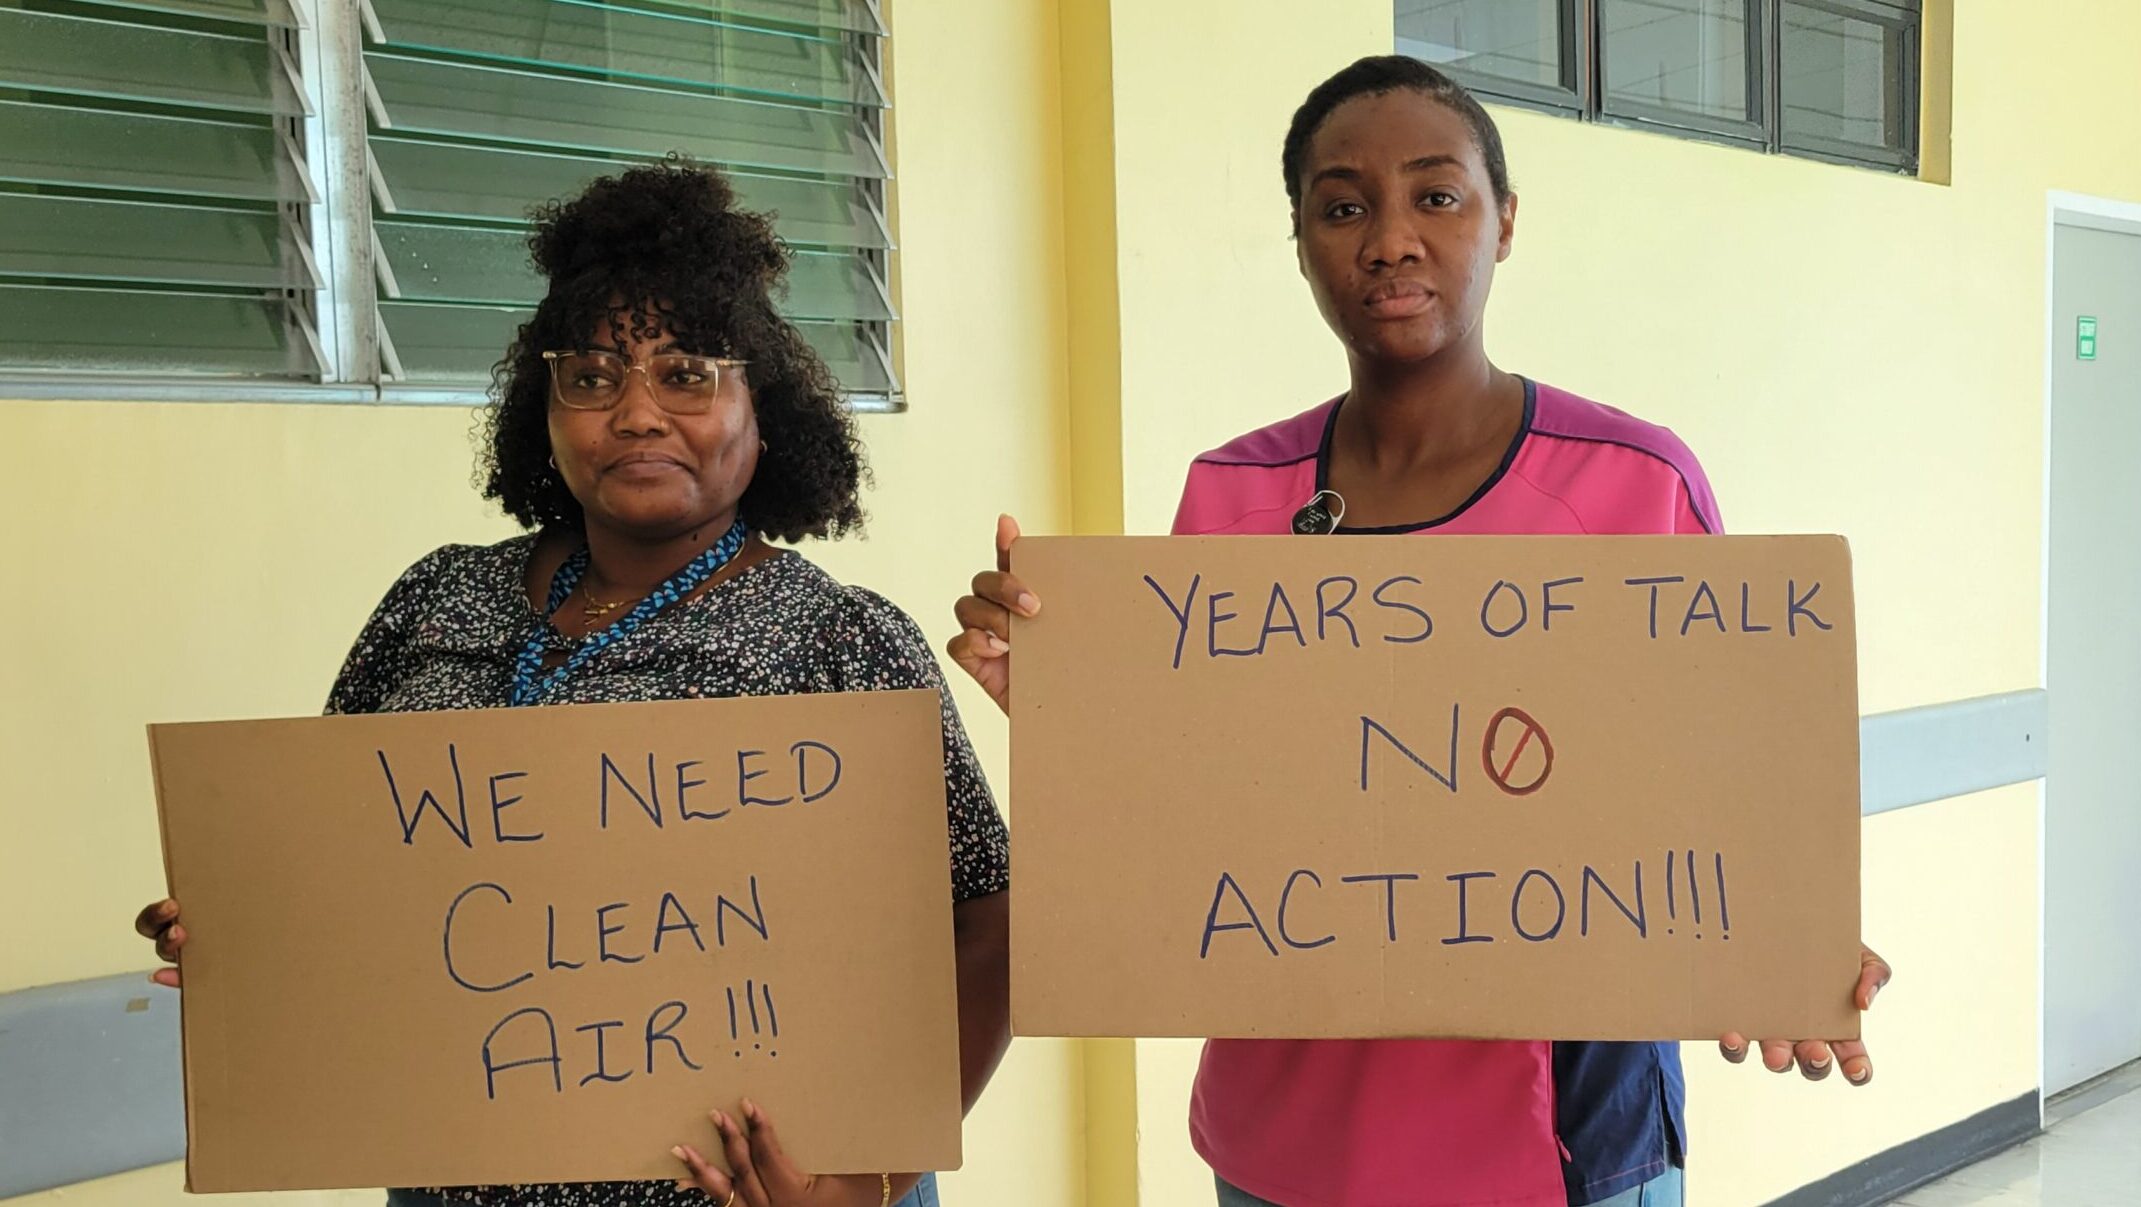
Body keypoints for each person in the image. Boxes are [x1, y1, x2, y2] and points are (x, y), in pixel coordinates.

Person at [949, 57, 1890, 1207]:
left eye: (1435, 195)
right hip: (1277, 1147)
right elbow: (1198, 811)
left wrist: (1787, 944)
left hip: (1565, 1159)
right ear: (1299, 246)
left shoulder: (1634, 483)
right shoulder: (1231, 494)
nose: (1388, 239)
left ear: (1503, 224)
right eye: (1341, 206)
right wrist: (1068, 704)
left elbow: (1731, 788)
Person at [134, 160, 1010, 1207]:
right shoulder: (435, 599)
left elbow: (986, 924)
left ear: (761, 411)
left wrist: (862, 1180)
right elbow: (345, 871)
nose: (636, 411)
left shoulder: (843, 642)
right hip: (451, 1176)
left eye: (686, 372)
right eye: (592, 376)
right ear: (543, 412)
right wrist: (242, 926)